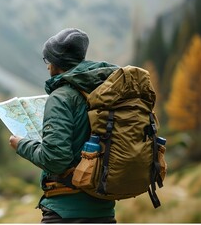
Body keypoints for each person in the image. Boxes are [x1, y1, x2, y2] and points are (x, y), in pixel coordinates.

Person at [9, 28, 119, 223]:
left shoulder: (61, 97)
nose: (47, 66)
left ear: (57, 63)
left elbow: (56, 159)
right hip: (104, 211)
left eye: (47, 60)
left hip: (67, 212)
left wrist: (21, 145)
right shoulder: (103, 91)